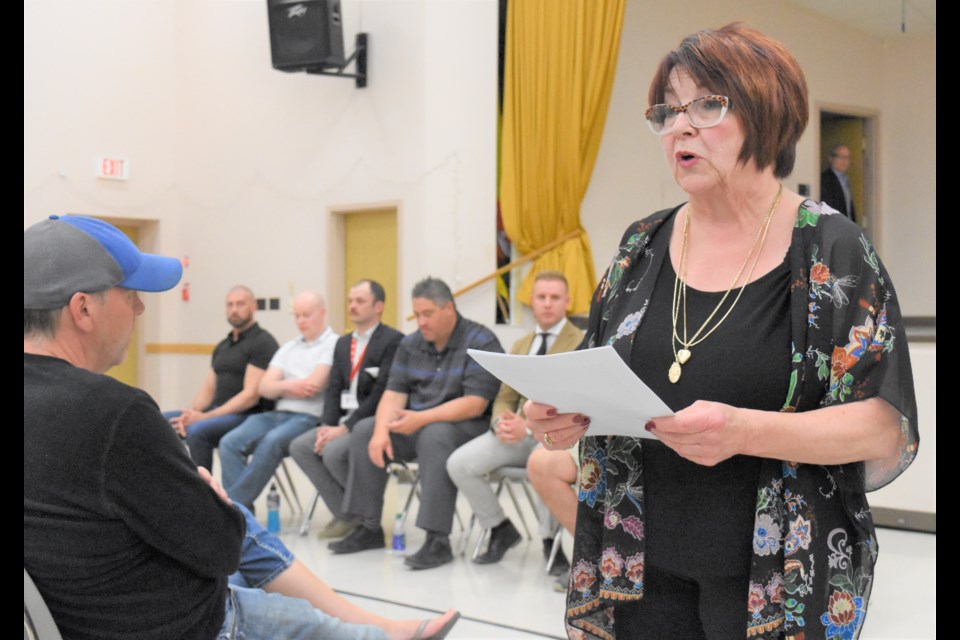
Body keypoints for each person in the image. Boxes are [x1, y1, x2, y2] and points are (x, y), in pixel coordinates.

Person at [524, 24, 918, 640]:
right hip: (637, 569)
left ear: (766, 112)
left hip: (776, 577)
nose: (680, 127)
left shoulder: (831, 248)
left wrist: (746, 430)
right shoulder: (640, 245)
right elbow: (593, 371)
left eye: (707, 106)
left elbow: (880, 425)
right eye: (666, 112)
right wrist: (558, 413)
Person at [23, 215, 460, 640]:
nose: (139, 307)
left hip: (76, 614)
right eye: (130, 294)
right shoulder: (115, 413)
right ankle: (380, 632)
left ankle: (378, 626)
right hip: (177, 624)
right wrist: (211, 502)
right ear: (83, 308)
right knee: (246, 539)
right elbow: (221, 549)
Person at [330, 277, 504, 570]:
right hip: (418, 423)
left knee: (434, 435)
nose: (421, 322)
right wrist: (381, 431)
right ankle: (369, 526)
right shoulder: (411, 344)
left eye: (428, 314)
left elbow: (476, 403)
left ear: (449, 308)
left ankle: (438, 539)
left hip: (467, 426)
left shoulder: (481, 340)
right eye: (417, 315)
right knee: (365, 430)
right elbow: (393, 394)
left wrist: (421, 418)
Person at [447, 270, 583, 569]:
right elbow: (505, 395)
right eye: (541, 297)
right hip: (515, 433)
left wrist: (530, 426)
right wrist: (500, 423)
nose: (547, 303)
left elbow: (573, 398)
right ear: (531, 302)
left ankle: (551, 543)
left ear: (568, 302)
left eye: (554, 297)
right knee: (459, 463)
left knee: (545, 458)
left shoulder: (582, 340)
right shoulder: (522, 344)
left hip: (553, 433)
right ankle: (499, 528)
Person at [289, 279, 404, 539]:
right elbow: (333, 389)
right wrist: (325, 427)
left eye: (360, 301)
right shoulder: (342, 344)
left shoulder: (393, 341)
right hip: (340, 420)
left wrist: (344, 429)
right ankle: (348, 513)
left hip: (369, 422)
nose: (352, 306)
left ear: (378, 307)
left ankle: (360, 514)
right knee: (301, 446)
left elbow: (382, 393)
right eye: (350, 300)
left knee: (333, 452)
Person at [219, 289, 338, 509]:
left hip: (308, 417)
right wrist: (292, 386)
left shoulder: (333, 344)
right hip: (277, 414)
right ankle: (241, 511)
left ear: (322, 313)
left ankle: (231, 508)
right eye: (297, 315)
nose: (301, 321)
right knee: (229, 442)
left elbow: (313, 386)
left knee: (271, 442)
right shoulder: (289, 347)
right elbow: (264, 388)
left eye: (307, 315)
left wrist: (280, 387)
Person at [164, 285, 279, 471]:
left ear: (253, 307)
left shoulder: (262, 342)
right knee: (162, 422)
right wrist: (191, 413)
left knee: (198, 431)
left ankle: (203, 495)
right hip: (217, 412)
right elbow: (207, 390)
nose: (234, 309)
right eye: (230, 304)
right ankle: (175, 489)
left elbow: (250, 396)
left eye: (240, 304)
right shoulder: (223, 346)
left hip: (246, 415)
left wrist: (205, 417)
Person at [820, 144, 857, 222]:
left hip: (847, 227)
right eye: (841, 157)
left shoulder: (846, 180)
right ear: (831, 159)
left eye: (847, 158)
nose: (845, 161)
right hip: (833, 226)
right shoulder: (824, 179)